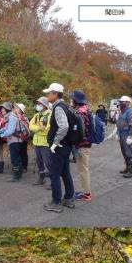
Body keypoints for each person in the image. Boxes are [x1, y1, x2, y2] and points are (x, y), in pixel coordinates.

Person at [43, 83, 75, 213]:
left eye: (49, 93)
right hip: (66, 146)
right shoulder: (65, 106)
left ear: (55, 94)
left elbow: (64, 126)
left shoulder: (58, 108)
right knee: (65, 172)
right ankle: (68, 199)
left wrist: (55, 142)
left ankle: (56, 202)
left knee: (54, 174)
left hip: (59, 147)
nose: (47, 95)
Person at [69, 90, 93, 202]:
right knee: (84, 169)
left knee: (83, 170)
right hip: (86, 144)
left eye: (72, 99)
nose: (70, 101)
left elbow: (79, 131)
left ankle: (86, 194)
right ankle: (85, 191)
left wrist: (74, 142)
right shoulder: (86, 109)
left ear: (76, 100)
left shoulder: (80, 112)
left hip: (81, 145)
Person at [0, 102, 24, 182]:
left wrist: (1, 135)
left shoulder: (12, 117)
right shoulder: (11, 117)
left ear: (7, 109)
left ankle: (16, 176)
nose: (1, 110)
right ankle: (19, 173)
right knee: (17, 158)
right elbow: (7, 128)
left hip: (14, 141)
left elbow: (10, 131)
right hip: (15, 140)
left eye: (3, 108)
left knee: (15, 158)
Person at [29, 97, 52, 186]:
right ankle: (41, 178)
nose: (38, 105)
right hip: (37, 142)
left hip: (45, 143)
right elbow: (30, 126)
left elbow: (47, 129)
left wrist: (37, 128)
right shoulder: (37, 115)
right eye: (37, 104)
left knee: (48, 162)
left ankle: (52, 181)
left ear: (45, 105)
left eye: (40, 104)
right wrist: (39, 128)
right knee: (39, 162)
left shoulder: (50, 115)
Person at [116, 95, 132, 178]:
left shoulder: (130, 112)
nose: (120, 103)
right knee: (124, 152)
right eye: (120, 102)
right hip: (121, 134)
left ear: (127, 103)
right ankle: (127, 168)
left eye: (122, 102)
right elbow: (118, 124)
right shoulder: (122, 111)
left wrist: (130, 136)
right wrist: (118, 133)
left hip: (127, 134)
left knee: (129, 153)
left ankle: (131, 171)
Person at [14, 103, 30, 172]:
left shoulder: (23, 118)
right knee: (18, 152)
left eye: (17, 108)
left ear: (21, 110)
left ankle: (24, 167)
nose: (15, 109)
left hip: (23, 138)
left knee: (23, 152)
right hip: (17, 137)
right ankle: (21, 166)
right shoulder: (15, 117)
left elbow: (26, 128)